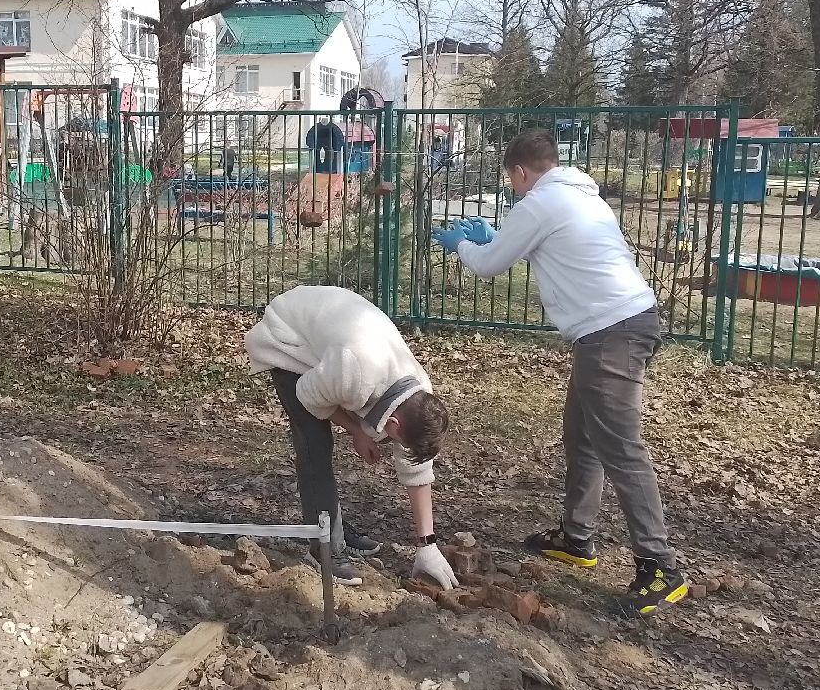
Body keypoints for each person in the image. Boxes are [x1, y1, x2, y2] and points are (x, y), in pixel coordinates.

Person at [432, 131, 688, 617]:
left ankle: (660, 565)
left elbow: (488, 265)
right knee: (583, 436)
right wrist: (499, 238)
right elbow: (559, 249)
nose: (513, 189)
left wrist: (463, 243)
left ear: (521, 171)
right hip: (620, 324)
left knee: (620, 446)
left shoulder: (541, 202)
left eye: (512, 180)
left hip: (611, 332)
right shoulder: (578, 195)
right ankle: (577, 538)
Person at [244, 285, 458, 588]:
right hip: (290, 338)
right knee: (315, 445)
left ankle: (336, 530)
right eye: (397, 440)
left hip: (335, 342)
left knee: (342, 407)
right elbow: (308, 396)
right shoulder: (353, 371)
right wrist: (357, 430)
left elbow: (416, 468)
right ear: (395, 423)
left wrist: (428, 545)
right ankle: (326, 549)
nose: (395, 448)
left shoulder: (419, 394)